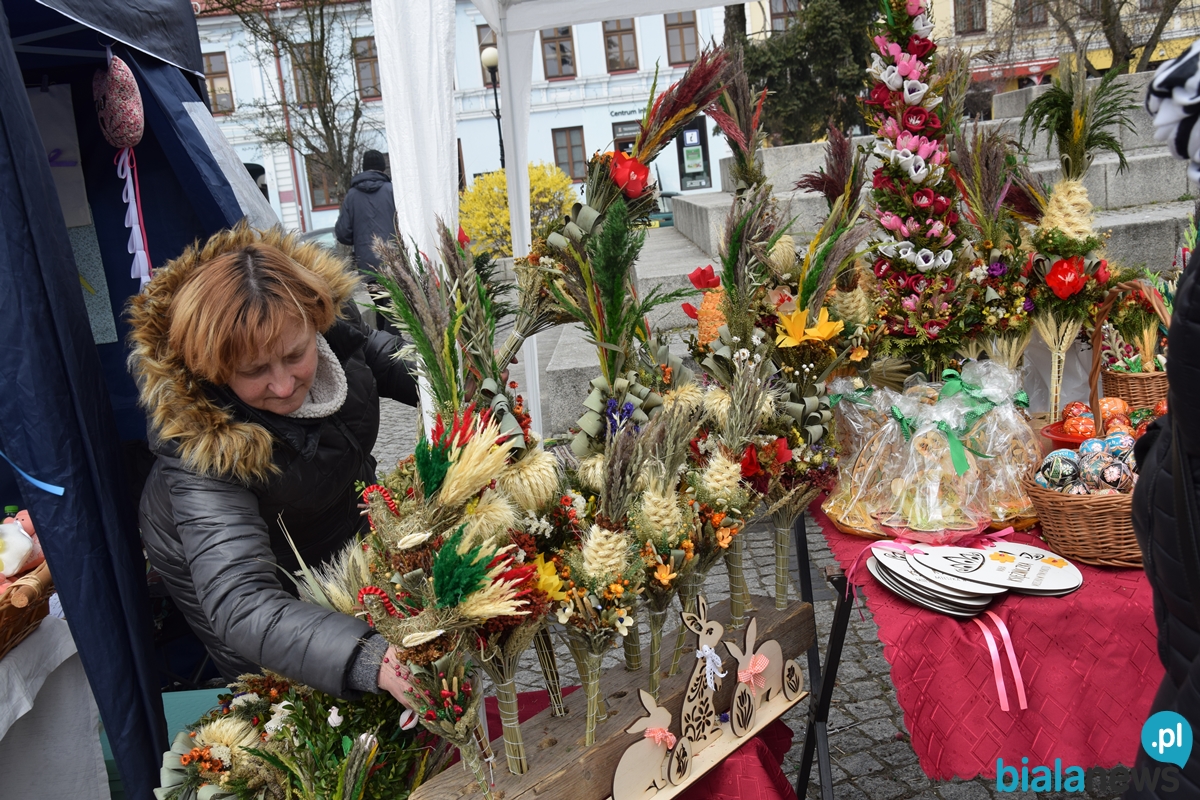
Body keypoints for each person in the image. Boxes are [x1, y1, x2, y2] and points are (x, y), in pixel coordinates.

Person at [128, 223, 416, 702]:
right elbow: (243, 604)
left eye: (295, 355)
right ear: (213, 367)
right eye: (254, 371)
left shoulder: (327, 331)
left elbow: (387, 358)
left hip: (333, 517)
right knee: (302, 696)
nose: (283, 386)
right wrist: (367, 657)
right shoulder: (200, 449)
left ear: (316, 323)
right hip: (243, 581)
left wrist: (457, 372)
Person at [335, 149, 397, 332]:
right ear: (382, 168)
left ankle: (385, 344)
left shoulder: (352, 196)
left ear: (364, 168)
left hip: (367, 264)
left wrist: (359, 238)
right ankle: (392, 346)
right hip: (392, 261)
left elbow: (342, 233)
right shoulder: (391, 191)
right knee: (394, 311)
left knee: (381, 308)